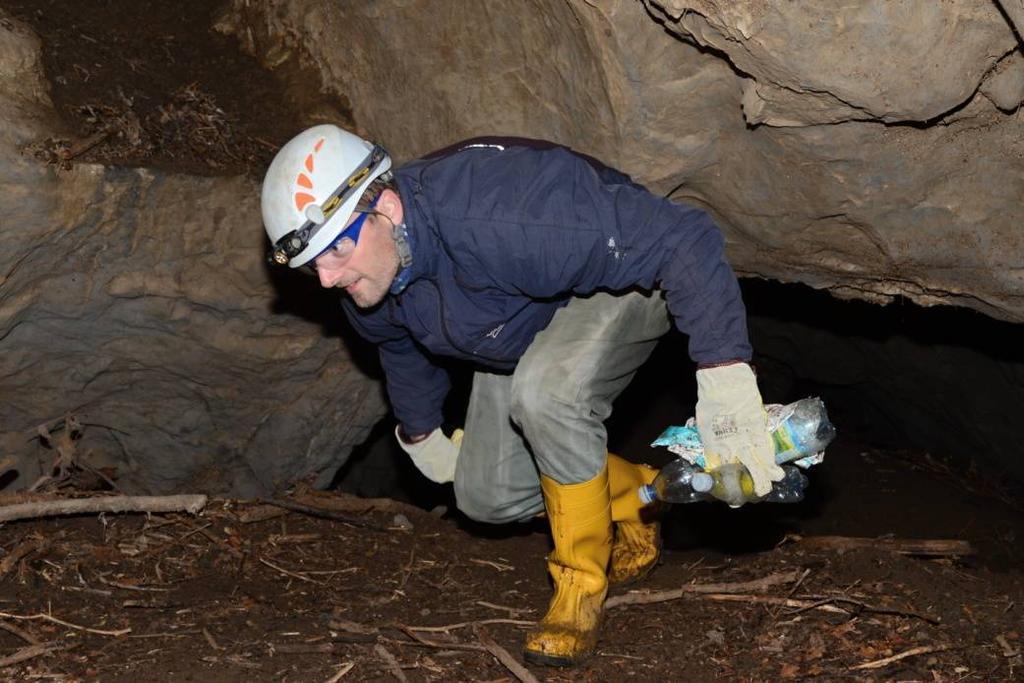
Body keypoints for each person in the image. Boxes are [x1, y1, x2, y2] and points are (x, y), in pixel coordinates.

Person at [261, 124, 784, 666]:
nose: (325, 279)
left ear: (387, 208)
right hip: (515, 322)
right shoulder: (367, 272)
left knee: (545, 395)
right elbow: (397, 343)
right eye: (311, 266)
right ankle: (642, 496)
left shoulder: (499, 211)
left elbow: (681, 238)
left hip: (622, 282)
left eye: (337, 250)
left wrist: (724, 373)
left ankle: (580, 584)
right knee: (486, 496)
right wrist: (420, 431)